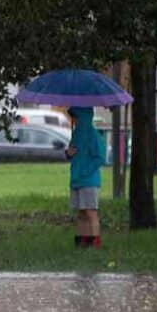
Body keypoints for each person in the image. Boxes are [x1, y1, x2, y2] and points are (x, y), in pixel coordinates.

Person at [65, 106, 105, 248]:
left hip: (89, 180)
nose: (73, 120)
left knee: (90, 211)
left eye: (75, 117)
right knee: (81, 212)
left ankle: (94, 240)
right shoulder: (76, 134)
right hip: (76, 179)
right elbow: (72, 153)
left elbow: (100, 158)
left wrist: (85, 171)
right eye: (72, 118)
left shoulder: (93, 135)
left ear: (83, 117)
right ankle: (83, 239)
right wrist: (68, 153)